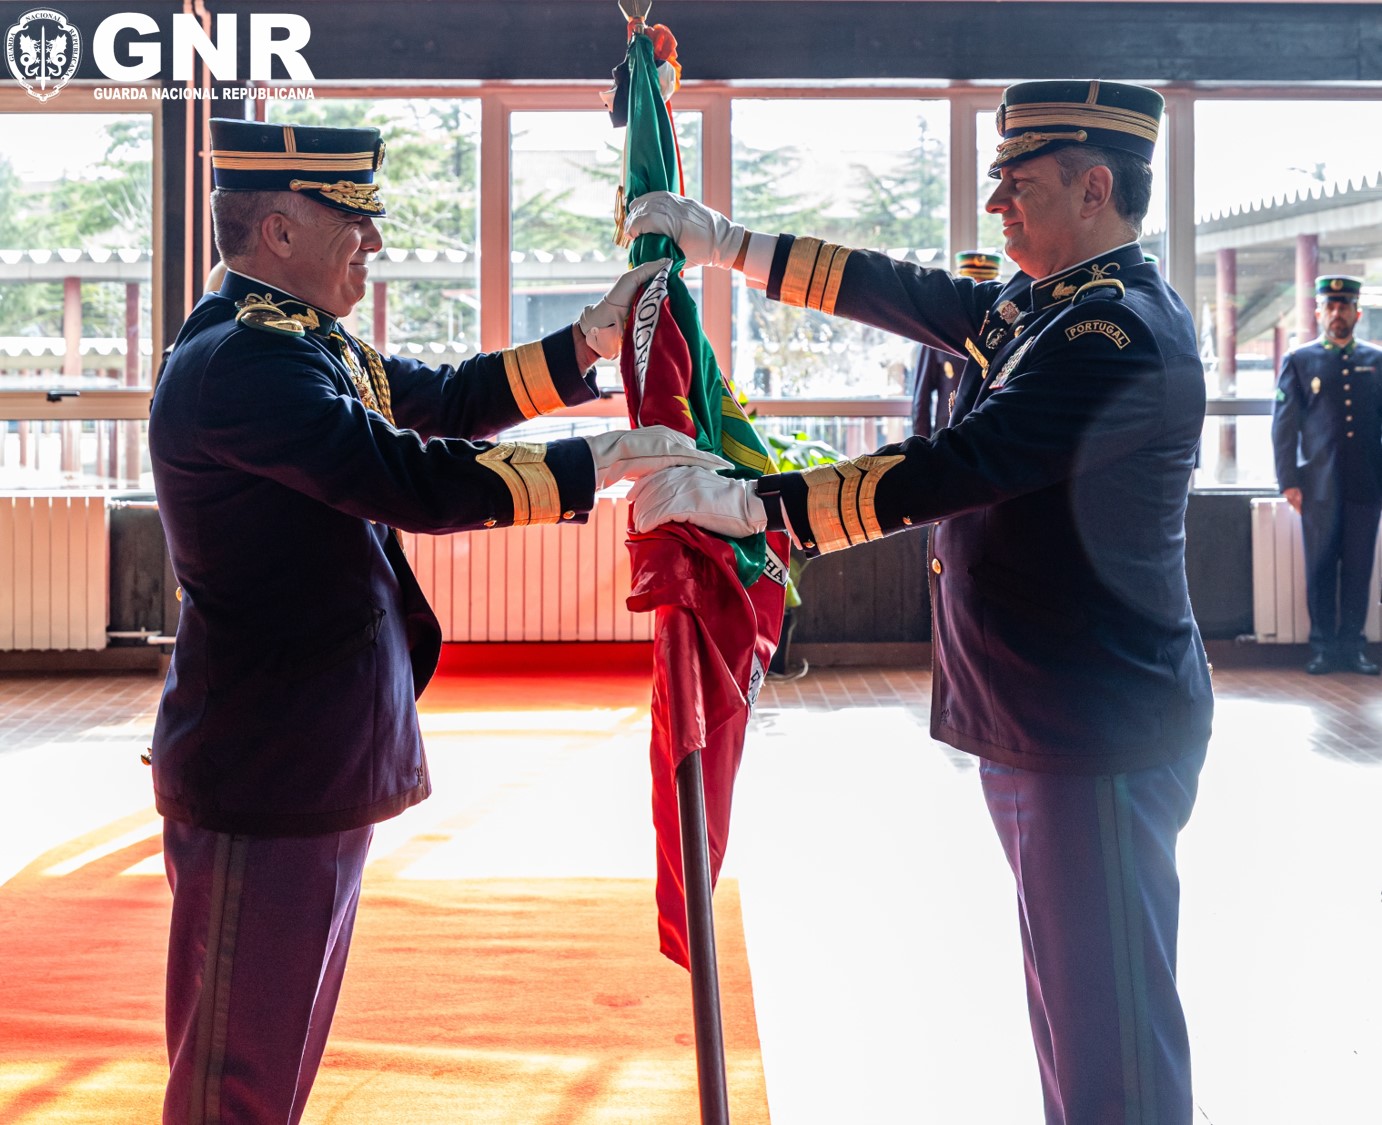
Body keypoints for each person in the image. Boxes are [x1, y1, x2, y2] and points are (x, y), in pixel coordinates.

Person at [625, 79, 1214, 1124]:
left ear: (1092, 188)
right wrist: (728, 244)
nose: (997, 208)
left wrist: (754, 507)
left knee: (1108, 1026)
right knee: (1074, 1010)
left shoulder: (1111, 338)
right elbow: (897, 289)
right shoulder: (1052, 308)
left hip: (1094, 723)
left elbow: (964, 462)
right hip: (1044, 714)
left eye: (1017, 185)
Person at [147, 117, 726, 1125]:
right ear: (280, 232)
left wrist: (585, 343)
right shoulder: (245, 363)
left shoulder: (293, 342)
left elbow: (444, 400)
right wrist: (599, 466)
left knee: (267, 1061)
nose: (372, 241)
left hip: (303, 753)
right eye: (353, 219)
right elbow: (403, 478)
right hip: (268, 762)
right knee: (235, 1081)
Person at [1271, 275, 1382, 675]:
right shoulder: (1300, 361)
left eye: (1344, 307)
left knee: (1358, 569)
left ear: (1357, 312)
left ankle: (1352, 648)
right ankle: (1322, 648)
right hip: (1317, 487)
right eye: (1330, 307)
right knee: (1319, 568)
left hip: (1367, 486)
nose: (1337, 314)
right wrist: (1288, 480)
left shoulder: (1377, 360)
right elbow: (1284, 426)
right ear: (1320, 312)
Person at [910, 250, 1001, 436]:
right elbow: (922, 397)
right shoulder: (940, 329)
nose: (978, 298)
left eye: (986, 287)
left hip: (992, 437)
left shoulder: (1004, 330)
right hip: (949, 436)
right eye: (972, 288)